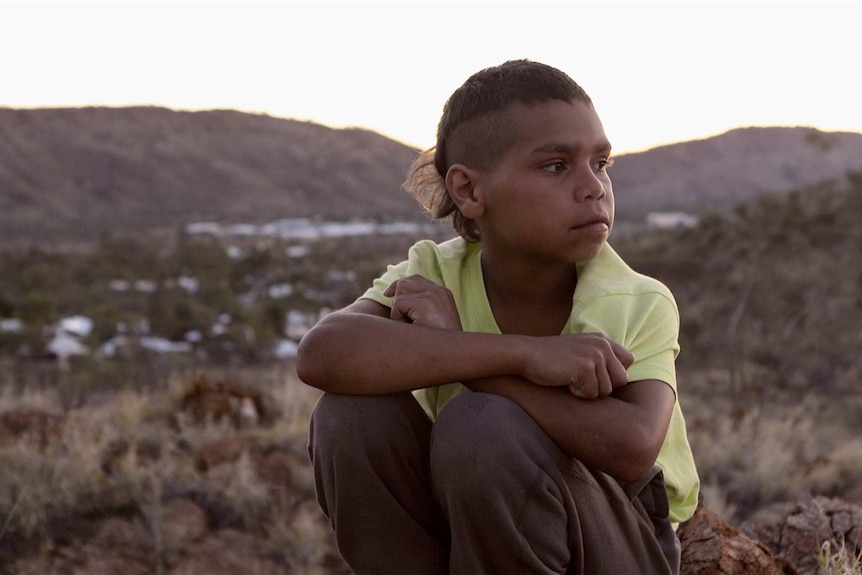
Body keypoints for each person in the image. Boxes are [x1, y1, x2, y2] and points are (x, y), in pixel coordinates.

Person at [297, 59, 700, 575]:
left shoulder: (635, 299)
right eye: (556, 166)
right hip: (478, 533)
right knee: (350, 416)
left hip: (619, 542)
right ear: (469, 191)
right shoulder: (435, 271)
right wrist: (527, 355)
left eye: (601, 163)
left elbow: (632, 450)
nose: (594, 187)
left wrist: (470, 360)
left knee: (481, 425)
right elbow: (323, 354)